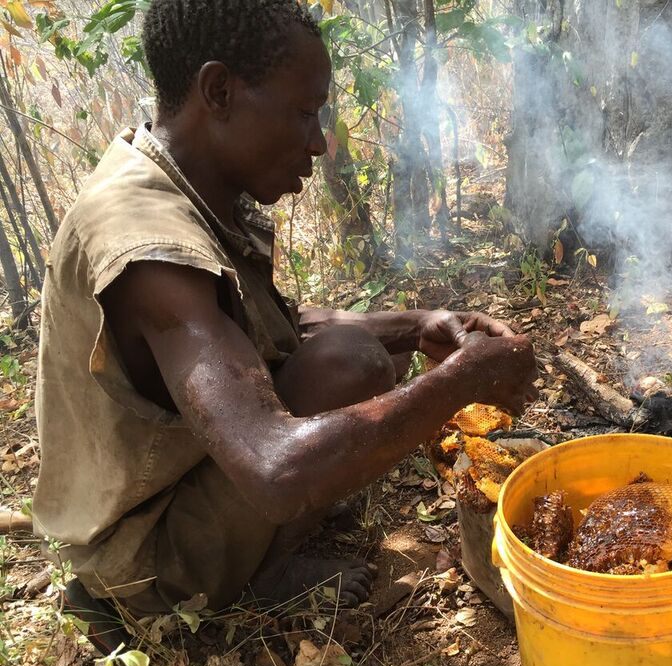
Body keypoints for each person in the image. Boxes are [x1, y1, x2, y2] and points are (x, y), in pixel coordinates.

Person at [32, 0, 538, 618]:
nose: (320, 143)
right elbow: (275, 468)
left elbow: (263, 332)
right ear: (218, 90)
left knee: (348, 348)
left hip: (171, 500)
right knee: (352, 362)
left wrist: (421, 324)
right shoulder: (148, 247)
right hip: (145, 565)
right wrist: (468, 379)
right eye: (303, 113)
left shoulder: (178, 182)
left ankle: (254, 549)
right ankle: (262, 579)